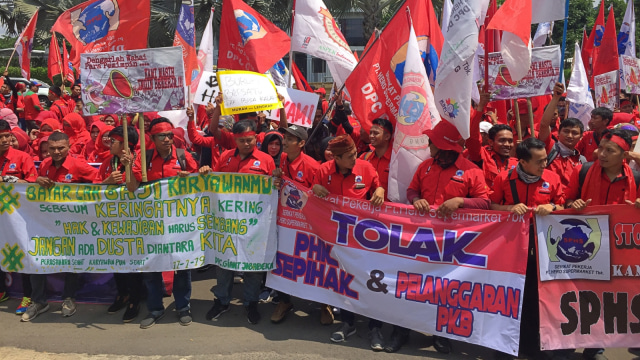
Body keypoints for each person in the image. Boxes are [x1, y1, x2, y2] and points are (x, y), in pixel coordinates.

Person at [407, 120, 490, 355]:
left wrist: (460, 201)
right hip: (422, 238)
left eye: (431, 141)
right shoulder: (425, 167)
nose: (428, 145)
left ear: (443, 146)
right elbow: (411, 190)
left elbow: (484, 202)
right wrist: (415, 200)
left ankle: (440, 334)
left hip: (453, 243)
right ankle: (402, 331)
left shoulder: (472, 171)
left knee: (445, 289)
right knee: (414, 284)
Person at [489, 137, 565, 360]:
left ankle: (532, 344)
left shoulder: (552, 178)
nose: (544, 165)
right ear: (522, 162)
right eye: (539, 161)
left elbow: (563, 204)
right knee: (508, 295)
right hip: (509, 249)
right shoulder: (504, 178)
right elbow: (491, 206)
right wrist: (509, 208)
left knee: (534, 296)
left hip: (540, 248)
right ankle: (502, 345)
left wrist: (551, 206)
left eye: (545, 160)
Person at [122, 117, 199, 329]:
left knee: (182, 266)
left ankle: (183, 307)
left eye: (170, 135)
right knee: (151, 267)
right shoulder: (143, 157)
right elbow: (131, 187)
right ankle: (155, 309)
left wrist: (190, 177)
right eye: (162, 136)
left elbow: (199, 184)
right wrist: (128, 167)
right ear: (152, 138)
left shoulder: (183, 156)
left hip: (179, 223)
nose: (167, 139)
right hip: (152, 222)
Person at [311, 134, 384, 343]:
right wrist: (314, 188)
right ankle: (348, 323)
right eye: (350, 156)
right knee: (344, 281)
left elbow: (378, 187)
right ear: (337, 158)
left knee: (370, 282)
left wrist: (379, 189)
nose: (355, 158)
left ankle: (374, 327)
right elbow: (312, 194)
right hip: (337, 238)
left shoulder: (366, 168)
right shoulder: (324, 171)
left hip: (364, 239)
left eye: (355, 154)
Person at [202, 119, 276, 324]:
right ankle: (222, 300)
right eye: (242, 140)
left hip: (254, 224)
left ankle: (251, 302)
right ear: (234, 139)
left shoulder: (266, 160)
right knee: (224, 262)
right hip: (227, 223)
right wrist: (207, 173)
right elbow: (214, 185)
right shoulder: (225, 158)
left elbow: (273, 190)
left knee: (253, 263)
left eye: (250, 140)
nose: (246, 144)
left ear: (255, 138)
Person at [22, 131, 98, 322]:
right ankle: (39, 301)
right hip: (47, 223)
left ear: (69, 147)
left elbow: (99, 184)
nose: (56, 152)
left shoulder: (78, 164)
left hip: (73, 224)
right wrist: (36, 181)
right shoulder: (45, 164)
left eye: (60, 148)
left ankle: (69, 298)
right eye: (52, 148)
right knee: (37, 256)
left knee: (70, 259)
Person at [270, 124, 325, 325]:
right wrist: (277, 180)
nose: (284, 142)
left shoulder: (312, 166)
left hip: (308, 225)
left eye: (290, 139)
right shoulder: (282, 160)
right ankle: (284, 300)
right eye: (284, 137)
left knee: (315, 262)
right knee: (282, 260)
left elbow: (322, 198)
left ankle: (323, 304)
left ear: (301, 144)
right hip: (285, 222)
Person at [94, 125, 145, 323]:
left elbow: (133, 188)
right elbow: (94, 189)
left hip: (133, 220)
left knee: (132, 261)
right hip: (112, 220)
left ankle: (134, 299)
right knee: (116, 259)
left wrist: (129, 167)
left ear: (124, 144)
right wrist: (107, 181)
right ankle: (122, 294)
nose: (109, 143)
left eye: (113, 140)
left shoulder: (139, 158)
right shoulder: (107, 162)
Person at [0, 119, 37, 313]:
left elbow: (31, 184)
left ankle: (28, 296)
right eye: (1, 137)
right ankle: (1, 291)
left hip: (18, 216)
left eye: (8, 136)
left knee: (22, 253)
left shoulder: (22, 157)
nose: (6, 140)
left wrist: (6, 179)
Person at [538, 82, 586, 189]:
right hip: (550, 203)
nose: (570, 135)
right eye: (566, 131)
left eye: (574, 133)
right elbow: (544, 125)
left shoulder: (582, 161)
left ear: (581, 137)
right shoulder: (550, 148)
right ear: (558, 133)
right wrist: (556, 98)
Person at [359, 118, 392, 200]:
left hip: (391, 210)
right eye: (370, 133)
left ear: (387, 136)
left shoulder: (397, 160)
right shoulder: (364, 157)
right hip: (368, 208)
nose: (371, 136)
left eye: (375, 133)